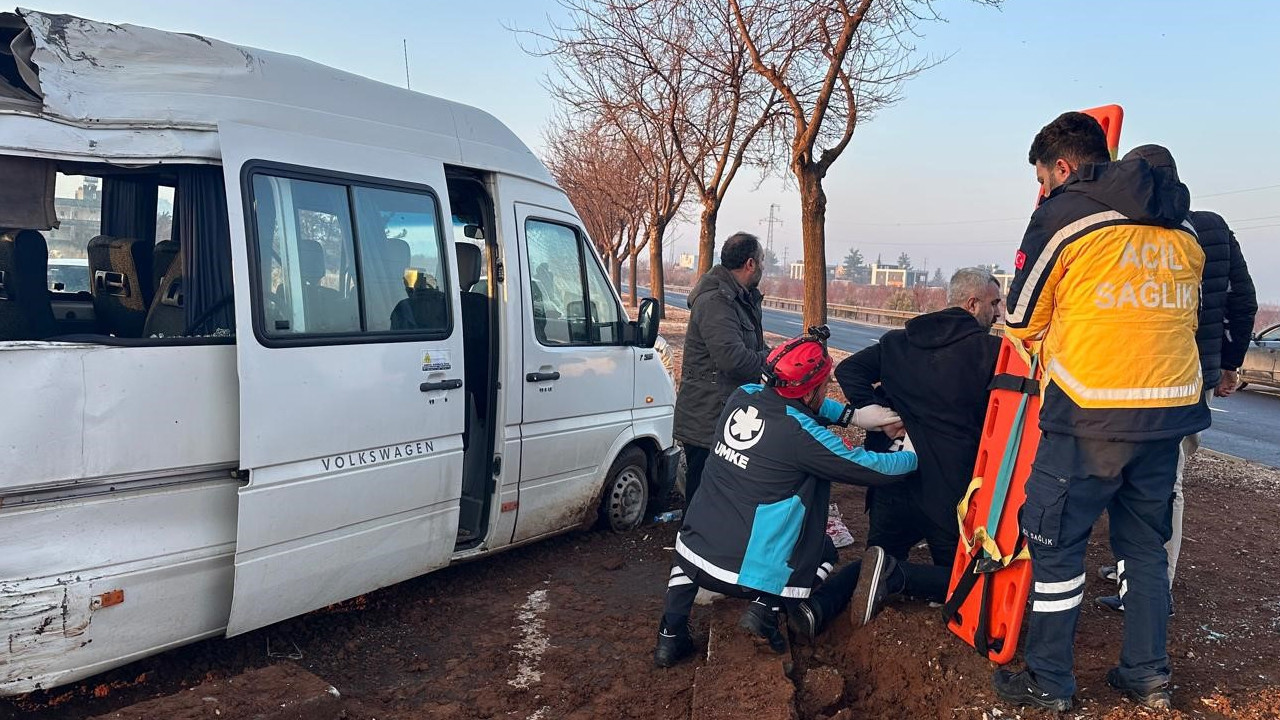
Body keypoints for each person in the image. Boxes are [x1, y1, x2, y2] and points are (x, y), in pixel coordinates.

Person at [992, 113, 1209, 712]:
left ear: (1062, 168)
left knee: (1057, 547)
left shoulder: (1063, 216)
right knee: (1144, 549)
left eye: (1043, 178)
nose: (1043, 189)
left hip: (1088, 415)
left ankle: (1049, 681)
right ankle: (1147, 675)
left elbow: (1020, 320)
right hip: (1168, 415)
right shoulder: (1182, 224)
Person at [654, 328, 918, 668]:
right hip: (744, 574)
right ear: (809, 392)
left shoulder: (741, 397)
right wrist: (912, 451)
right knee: (823, 550)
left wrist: (851, 415)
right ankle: (766, 610)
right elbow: (872, 468)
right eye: (824, 385)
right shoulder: (801, 435)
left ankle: (669, 636)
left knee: (692, 547)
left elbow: (797, 405)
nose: (826, 390)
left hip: (695, 550)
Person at [1095, 147, 1259, 612]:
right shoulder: (1213, 228)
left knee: (1148, 480)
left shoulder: (1126, 230)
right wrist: (1228, 364)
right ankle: (1138, 568)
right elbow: (1242, 301)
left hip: (1134, 374)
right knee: (1162, 479)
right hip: (1191, 377)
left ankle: (1152, 584)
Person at [833, 267, 1004, 577]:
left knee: (876, 567)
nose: (998, 313)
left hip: (891, 476)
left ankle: (847, 597)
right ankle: (904, 582)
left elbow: (848, 370)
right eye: (994, 304)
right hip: (951, 486)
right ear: (973, 303)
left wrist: (881, 415)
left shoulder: (899, 341)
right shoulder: (991, 353)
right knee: (956, 583)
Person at [673, 232, 768, 504]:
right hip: (707, 418)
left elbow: (751, 348)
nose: (763, 267)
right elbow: (733, 359)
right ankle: (691, 532)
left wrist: (769, 355)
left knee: (721, 500)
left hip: (726, 414)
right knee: (702, 500)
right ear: (750, 263)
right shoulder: (716, 301)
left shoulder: (740, 298)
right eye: (761, 261)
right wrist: (771, 359)